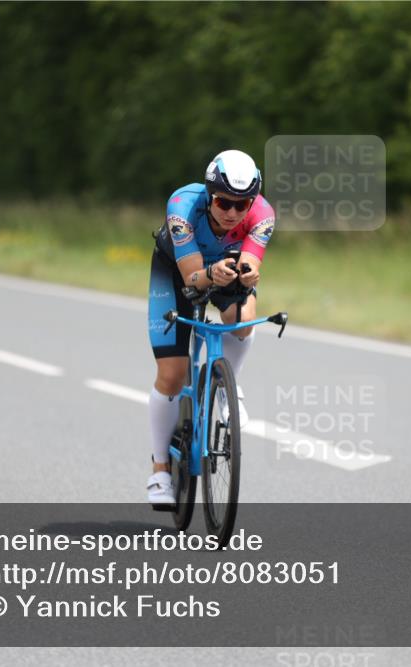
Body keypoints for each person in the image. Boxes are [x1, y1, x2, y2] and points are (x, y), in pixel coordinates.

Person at [145, 149, 276, 506]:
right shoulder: (182, 207)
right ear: (208, 193)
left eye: (242, 204)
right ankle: (159, 472)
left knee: (243, 318)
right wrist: (210, 275)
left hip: (223, 267)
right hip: (177, 271)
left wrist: (247, 273)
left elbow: (248, 263)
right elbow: (192, 278)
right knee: (172, 374)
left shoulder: (263, 214)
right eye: (223, 202)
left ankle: (224, 384)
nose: (232, 212)